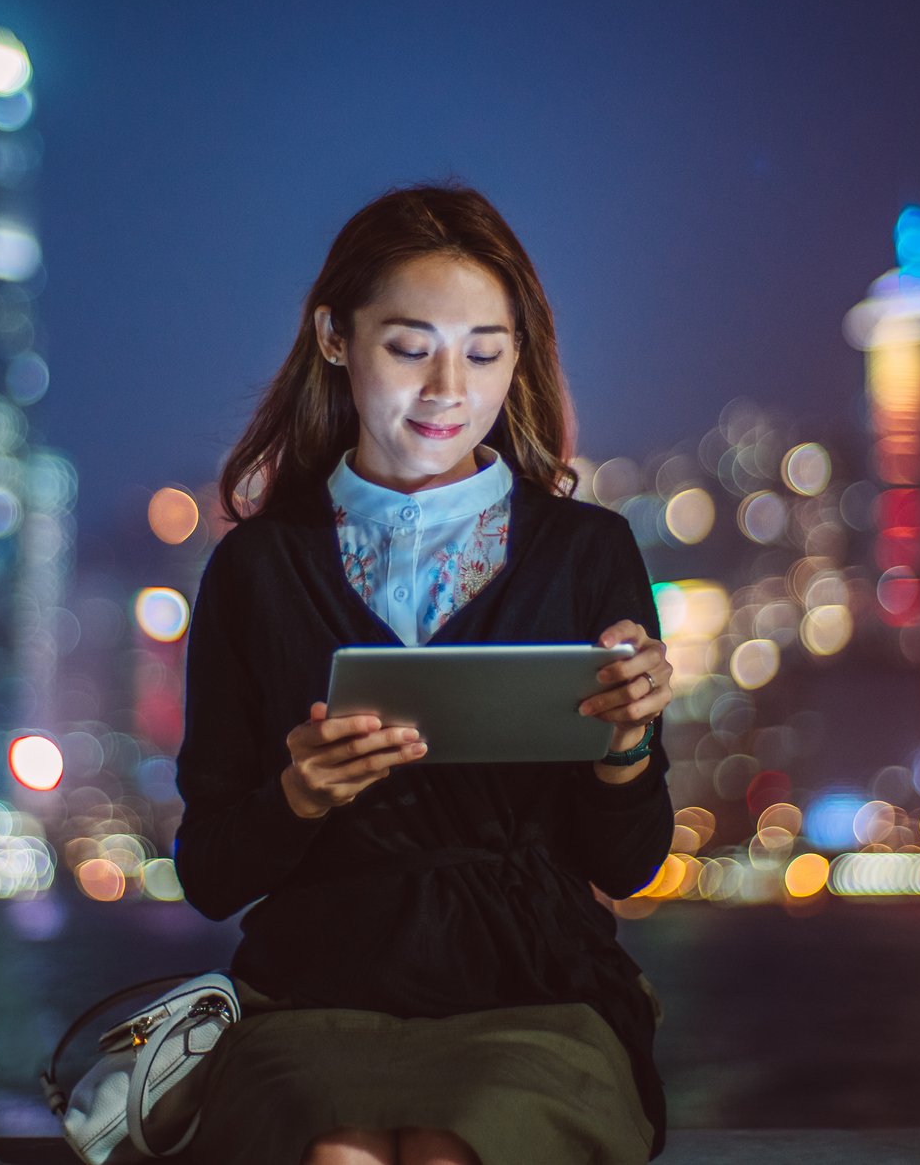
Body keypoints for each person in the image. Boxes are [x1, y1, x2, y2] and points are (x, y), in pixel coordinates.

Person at [173, 185, 676, 1165]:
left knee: (457, 1151)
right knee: (337, 1158)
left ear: (518, 358)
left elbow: (627, 863)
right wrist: (296, 796)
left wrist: (625, 745)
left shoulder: (585, 552)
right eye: (410, 347)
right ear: (333, 336)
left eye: (484, 351)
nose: (448, 387)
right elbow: (208, 871)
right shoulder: (258, 569)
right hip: (317, 987)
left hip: (533, 986)